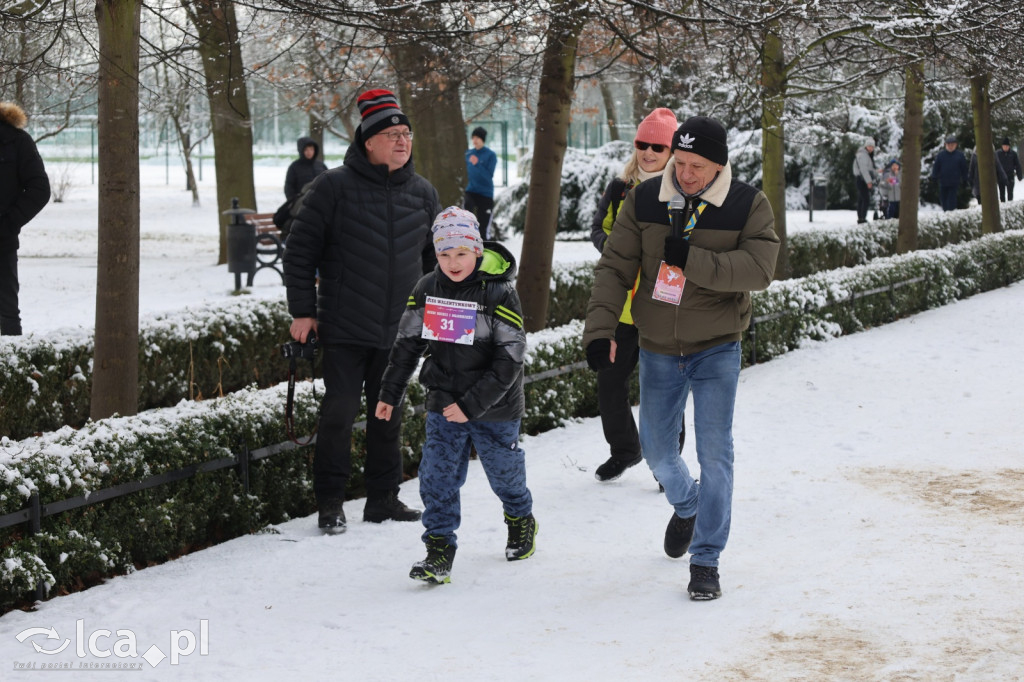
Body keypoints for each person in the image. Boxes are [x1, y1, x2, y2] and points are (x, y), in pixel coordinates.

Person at [583, 115, 779, 601]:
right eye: (680, 161)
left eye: (696, 165)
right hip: (657, 348)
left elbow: (759, 269)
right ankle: (688, 504)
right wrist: (600, 328)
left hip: (716, 346)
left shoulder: (747, 203)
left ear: (719, 164)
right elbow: (614, 266)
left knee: (715, 454)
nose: (685, 173)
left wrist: (691, 259)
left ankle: (706, 559)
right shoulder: (645, 200)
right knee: (658, 452)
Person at [283, 88, 440, 534]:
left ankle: (383, 499)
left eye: (406, 133)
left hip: (398, 332)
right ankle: (330, 503)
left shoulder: (424, 193)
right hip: (345, 326)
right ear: (367, 141)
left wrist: (438, 315)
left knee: (387, 414)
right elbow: (298, 254)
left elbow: (438, 265)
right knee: (338, 414)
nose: (402, 141)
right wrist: (303, 312)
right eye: (391, 134)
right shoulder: (331, 187)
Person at [375, 206, 535, 584]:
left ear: (477, 250)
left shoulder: (499, 293)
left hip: (495, 406)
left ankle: (520, 517)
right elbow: (407, 344)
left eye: (461, 253)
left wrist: (472, 405)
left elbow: (510, 359)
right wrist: (390, 391)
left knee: (504, 474)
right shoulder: (427, 288)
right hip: (444, 400)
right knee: (437, 476)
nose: (452, 262)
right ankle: (439, 547)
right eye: (444, 254)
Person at [588, 106, 684, 484]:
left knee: (664, 390)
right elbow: (599, 228)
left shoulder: (683, 190)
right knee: (609, 382)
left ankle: (668, 465)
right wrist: (617, 248)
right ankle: (625, 449)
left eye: (657, 147)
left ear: (672, 151)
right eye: (642, 144)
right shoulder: (619, 187)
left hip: (663, 307)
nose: (648, 152)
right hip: (623, 308)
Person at [0, 102, 50, 336]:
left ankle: (10, 370)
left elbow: (39, 189)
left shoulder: (16, 141)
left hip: (2, 244)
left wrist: (8, 223)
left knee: (7, 317)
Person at [463, 127, 497, 239]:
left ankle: (484, 250)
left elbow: (488, 177)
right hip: (471, 191)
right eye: (473, 137)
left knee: (483, 229)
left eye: (477, 137)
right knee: (467, 210)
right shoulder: (468, 154)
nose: (474, 140)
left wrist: (477, 164)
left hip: (485, 194)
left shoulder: (490, 155)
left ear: (482, 139)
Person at [284, 136, 328, 202]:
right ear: (301, 150)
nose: (309, 152)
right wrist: (294, 202)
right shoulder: (294, 167)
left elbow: (328, 182)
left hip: (321, 202)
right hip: (302, 203)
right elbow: (289, 187)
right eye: (306, 150)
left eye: (311, 149)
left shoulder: (321, 165)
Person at [931, 135, 968, 212]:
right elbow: (936, 167)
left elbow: (964, 168)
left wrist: (965, 179)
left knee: (951, 202)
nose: (950, 146)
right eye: (948, 145)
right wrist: (934, 178)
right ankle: (945, 215)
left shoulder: (960, 155)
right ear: (945, 145)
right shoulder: (941, 155)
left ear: (956, 145)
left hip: (954, 182)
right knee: (943, 201)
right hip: (943, 182)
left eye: (952, 145)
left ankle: (951, 215)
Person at [852, 138, 877, 223]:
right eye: (869, 146)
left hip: (863, 179)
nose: (871, 148)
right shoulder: (862, 155)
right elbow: (863, 170)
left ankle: (861, 217)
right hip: (862, 179)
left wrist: (876, 171)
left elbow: (868, 168)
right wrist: (869, 181)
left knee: (861, 199)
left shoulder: (866, 155)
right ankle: (862, 218)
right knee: (865, 199)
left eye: (872, 147)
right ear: (866, 146)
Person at [996, 137, 1023, 202]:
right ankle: (1003, 206)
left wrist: (1019, 175)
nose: (1005, 147)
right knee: (1002, 194)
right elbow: (995, 165)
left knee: (1010, 193)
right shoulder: (997, 154)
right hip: (1001, 176)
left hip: (1010, 175)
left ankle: (1010, 205)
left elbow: (1017, 165)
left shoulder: (1013, 154)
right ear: (1002, 146)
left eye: (1007, 146)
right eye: (1004, 146)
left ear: (1009, 146)